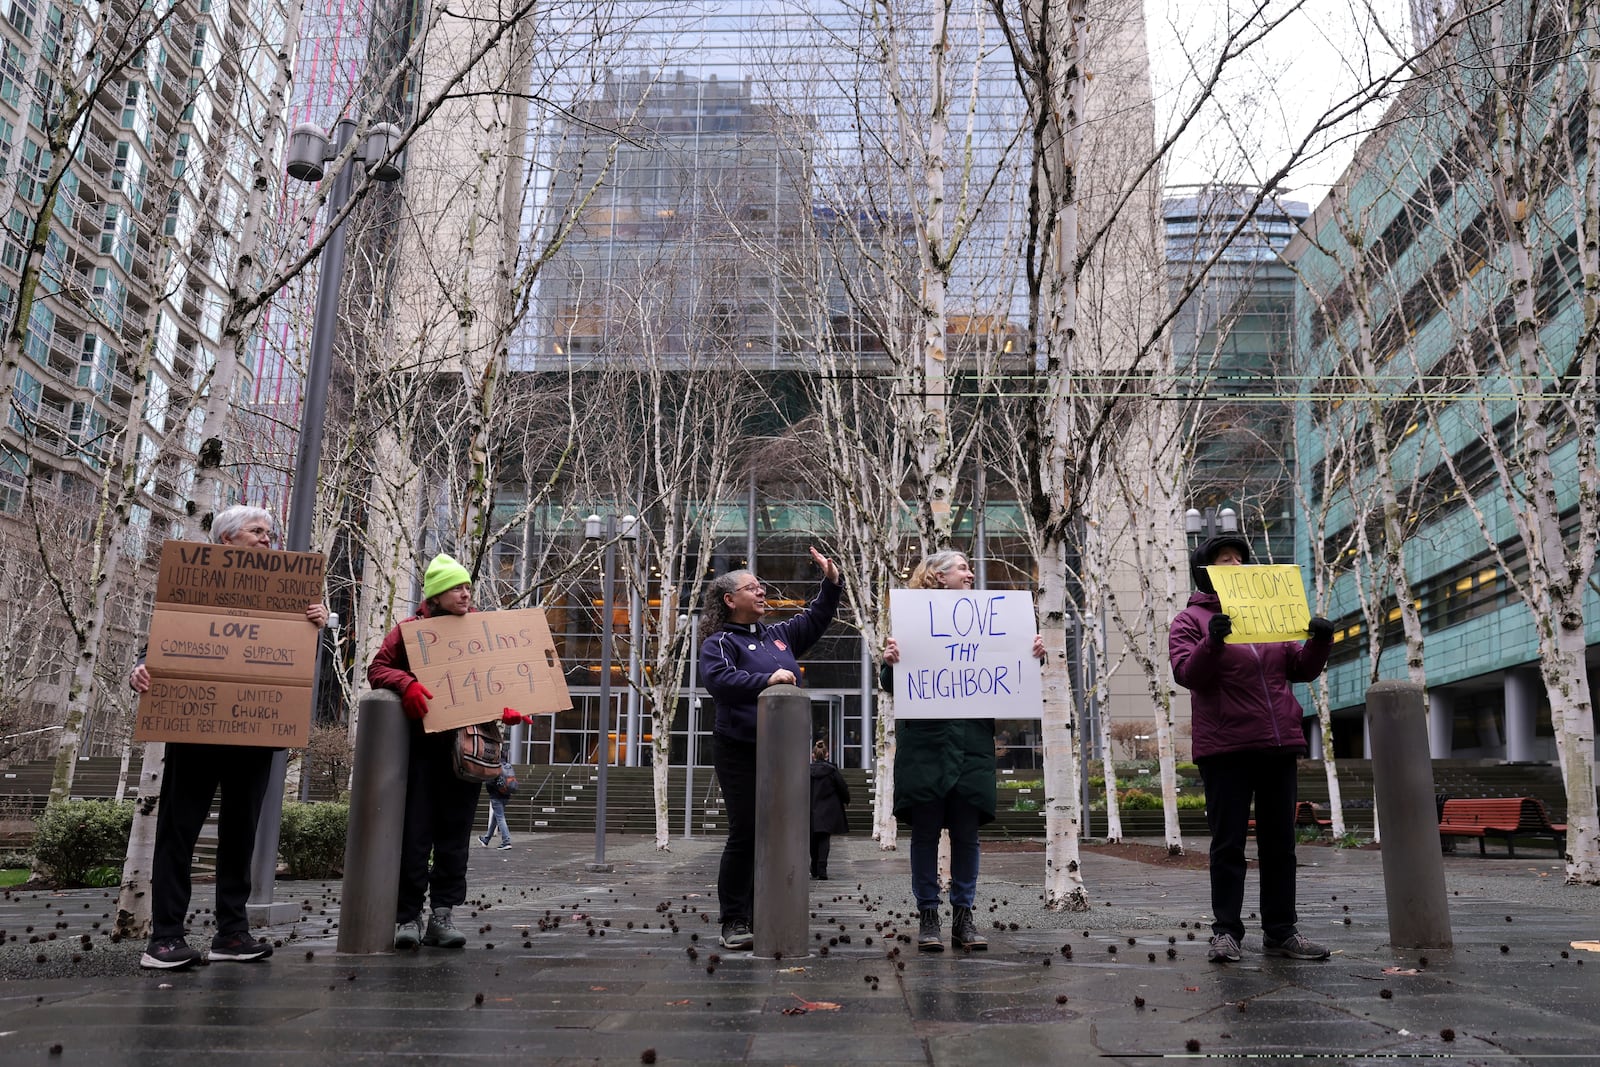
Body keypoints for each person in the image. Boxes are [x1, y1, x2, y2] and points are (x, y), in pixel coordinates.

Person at [130, 504, 329, 970]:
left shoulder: (290, 593)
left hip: (254, 733)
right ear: (225, 540)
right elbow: (166, 639)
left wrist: (315, 624)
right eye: (257, 531)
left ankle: (232, 934)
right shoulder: (194, 583)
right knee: (178, 834)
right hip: (195, 730)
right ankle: (165, 939)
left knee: (241, 835)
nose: (267, 538)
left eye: (270, 532)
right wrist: (141, 669)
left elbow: (292, 658)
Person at [1168, 532, 1336, 964]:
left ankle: (1281, 931)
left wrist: (1319, 640)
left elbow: (1299, 669)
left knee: (1281, 845)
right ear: (1207, 572)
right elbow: (1187, 674)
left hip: (1278, 744)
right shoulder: (1190, 621)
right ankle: (1226, 932)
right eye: (1224, 559)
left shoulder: (1270, 616)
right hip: (1225, 749)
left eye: (1239, 559)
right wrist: (1213, 641)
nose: (1235, 565)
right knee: (1228, 846)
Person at [368, 553, 535, 950]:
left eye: (467, 587)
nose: (466, 593)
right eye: (458, 587)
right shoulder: (409, 631)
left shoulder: (480, 630)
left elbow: (495, 680)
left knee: (455, 838)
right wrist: (406, 684)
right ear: (437, 594)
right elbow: (377, 668)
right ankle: (406, 916)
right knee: (415, 836)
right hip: (420, 753)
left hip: (466, 753)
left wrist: (506, 708)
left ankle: (443, 914)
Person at [882, 550, 1045, 953]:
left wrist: (1031, 657)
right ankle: (928, 917)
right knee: (924, 835)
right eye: (962, 568)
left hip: (970, 746)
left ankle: (963, 917)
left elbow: (1007, 676)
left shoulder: (995, 621)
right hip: (926, 745)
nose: (970, 573)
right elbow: (893, 682)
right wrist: (889, 662)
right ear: (937, 577)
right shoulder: (913, 620)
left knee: (967, 836)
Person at [700, 547, 842, 950]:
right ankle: (734, 920)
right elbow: (719, 681)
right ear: (730, 600)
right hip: (740, 749)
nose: (762, 592)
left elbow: (815, 618)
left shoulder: (777, 636)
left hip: (783, 753)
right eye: (752, 588)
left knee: (782, 831)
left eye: (761, 587)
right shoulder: (719, 643)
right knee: (745, 832)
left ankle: (772, 910)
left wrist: (830, 583)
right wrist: (766, 681)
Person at [808, 739, 850, 879]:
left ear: (813, 755)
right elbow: (842, 787)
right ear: (827, 755)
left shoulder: (806, 771)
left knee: (812, 839)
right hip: (828, 810)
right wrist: (846, 800)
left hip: (810, 809)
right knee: (824, 838)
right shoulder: (832, 771)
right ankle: (822, 870)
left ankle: (814, 867)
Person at [479, 757, 515, 850]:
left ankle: (506, 841)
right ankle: (486, 839)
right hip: (506, 795)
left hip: (496, 796)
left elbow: (490, 782)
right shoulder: (507, 766)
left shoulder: (495, 767)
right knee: (496, 818)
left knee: (500, 818)